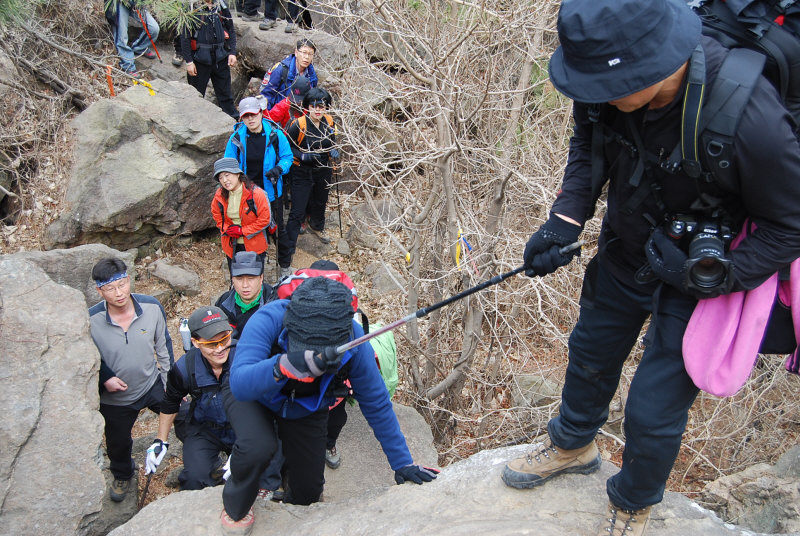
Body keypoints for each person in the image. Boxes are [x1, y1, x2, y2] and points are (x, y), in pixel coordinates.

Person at [500, 1, 800, 535]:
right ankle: (573, 444)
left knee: (653, 408)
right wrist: (563, 221)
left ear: (656, 65)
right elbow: (587, 149)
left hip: (703, 277)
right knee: (590, 352)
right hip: (625, 246)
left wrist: (716, 274)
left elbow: (790, 225)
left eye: (603, 84)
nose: (589, 94)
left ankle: (634, 503)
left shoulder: (749, 115)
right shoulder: (601, 88)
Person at [218, 277, 438, 535]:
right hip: (254, 395)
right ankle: (236, 503)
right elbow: (240, 383)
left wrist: (403, 463)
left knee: (309, 491)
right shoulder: (268, 318)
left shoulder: (354, 342)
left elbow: (376, 402)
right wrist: (282, 365)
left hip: (305, 407)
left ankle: (291, 518)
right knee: (259, 446)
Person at [144, 306, 283, 496]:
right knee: (194, 478)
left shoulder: (248, 357)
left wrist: (248, 445)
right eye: (211, 343)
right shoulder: (185, 368)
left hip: (247, 425)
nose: (219, 349)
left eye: (224, 339)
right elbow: (171, 402)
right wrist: (161, 440)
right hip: (206, 428)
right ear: (195, 342)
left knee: (264, 472)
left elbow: (270, 403)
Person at [88, 257, 173, 502]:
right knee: (117, 442)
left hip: (151, 383)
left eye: (122, 284)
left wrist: (171, 385)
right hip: (115, 397)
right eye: (110, 288)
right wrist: (105, 378)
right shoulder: (91, 320)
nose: (119, 293)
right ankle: (123, 474)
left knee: (187, 414)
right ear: (99, 291)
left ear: (129, 280)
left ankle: (199, 456)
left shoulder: (152, 307)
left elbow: (164, 347)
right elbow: (88, 356)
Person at [225, 97, 294, 278]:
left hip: (271, 192)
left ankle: (284, 267)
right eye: (246, 116)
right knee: (252, 231)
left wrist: (279, 168)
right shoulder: (236, 138)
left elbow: (287, 157)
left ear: (261, 113)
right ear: (241, 118)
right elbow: (228, 164)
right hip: (246, 195)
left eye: (253, 114)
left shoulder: (275, 134)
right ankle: (251, 270)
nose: (250, 119)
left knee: (279, 230)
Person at [285, 86, 338, 259]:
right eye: (314, 106)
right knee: (298, 206)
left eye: (322, 106)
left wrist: (333, 152)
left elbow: (331, 142)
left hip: (323, 168)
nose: (318, 110)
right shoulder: (298, 125)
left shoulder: (329, 122)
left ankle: (316, 225)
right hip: (302, 169)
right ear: (308, 106)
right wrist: (302, 155)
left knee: (321, 200)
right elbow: (287, 147)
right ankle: (290, 244)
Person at [210, 157, 273, 277]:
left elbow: (265, 219)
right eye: (220, 177)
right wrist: (227, 229)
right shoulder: (219, 195)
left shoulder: (256, 194)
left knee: (254, 278)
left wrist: (242, 231)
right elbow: (217, 215)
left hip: (254, 245)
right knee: (236, 278)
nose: (224, 180)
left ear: (238, 174)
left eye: (227, 175)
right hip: (231, 245)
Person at [179, 0, 238, 118]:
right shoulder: (191, 8)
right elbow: (184, 37)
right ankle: (194, 123)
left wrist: (232, 52)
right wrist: (189, 61)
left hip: (221, 58)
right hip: (199, 60)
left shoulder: (221, 6)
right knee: (196, 96)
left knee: (226, 96)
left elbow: (230, 29)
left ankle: (234, 123)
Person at [215, 251, 279, 339]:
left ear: (261, 278)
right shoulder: (223, 303)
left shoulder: (275, 303)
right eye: (239, 279)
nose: (245, 285)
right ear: (232, 279)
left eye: (251, 278)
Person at [259, 38, 318, 110]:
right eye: (304, 53)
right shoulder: (281, 70)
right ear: (296, 52)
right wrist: (269, 118)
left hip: (300, 114)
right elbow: (267, 95)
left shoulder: (312, 75)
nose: (307, 57)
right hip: (279, 113)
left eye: (310, 54)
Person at [105, 0, 159, 77]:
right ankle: (128, 65)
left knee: (154, 29)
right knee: (122, 37)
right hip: (118, 3)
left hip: (136, 2)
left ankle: (139, 48)